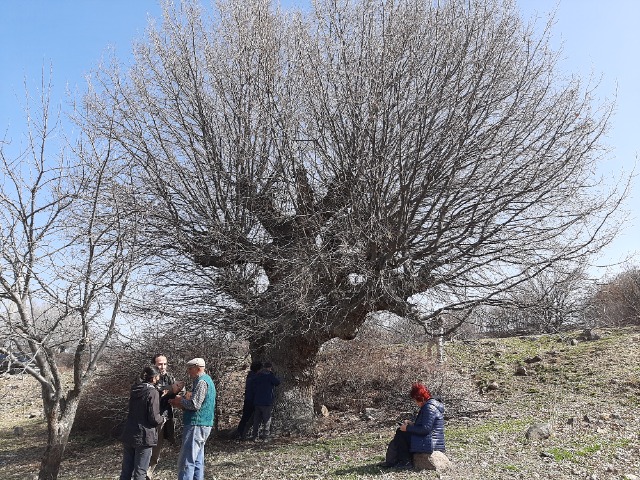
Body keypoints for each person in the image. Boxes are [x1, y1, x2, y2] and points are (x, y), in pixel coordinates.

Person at [169, 357, 216, 480]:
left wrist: (180, 400)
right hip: (204, 424)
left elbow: (195, 405)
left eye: (190, 369)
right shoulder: (208, 380)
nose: (189, 372)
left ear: (198, 368)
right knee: (197, 459)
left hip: (196, 424)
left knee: (187, 460)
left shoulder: (201, 382)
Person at [383, 382, 445, 469]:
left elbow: (425, 429)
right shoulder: (431, 405)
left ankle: (405, 462)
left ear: (421, 398)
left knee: (401, 433)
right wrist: (412, 424)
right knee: (402, 432)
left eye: (416, 400)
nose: (416, 403)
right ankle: (403, 460)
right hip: (431, 440)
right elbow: (426, 425)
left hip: (430, 443)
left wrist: (407, 428)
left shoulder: (429, 408)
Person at [119, 365, 164, 480]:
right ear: (153, 378)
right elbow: (154, 418)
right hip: (144, 436)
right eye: (158, 376)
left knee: (126, 471)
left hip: (129, 433)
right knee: (140, 472)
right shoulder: (152, 392)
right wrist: (163, 418)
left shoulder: (135, 389)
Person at [146, 354, 185, 480]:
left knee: (157, 447)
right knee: (148, 446)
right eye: (159, 364)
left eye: (164, 364)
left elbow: (178, 390)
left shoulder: (169, 377)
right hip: (151, 418)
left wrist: (181, 393)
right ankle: (143, 472)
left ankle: (148, 472)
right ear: (154, 365)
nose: (162, 366)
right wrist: (171, 389)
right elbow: (157, 392)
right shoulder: (148, 378)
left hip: (165, 416)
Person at [248, 361, 280, 442]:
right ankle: (265, 437)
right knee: (267, 420)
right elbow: (277, 382)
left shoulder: (257, 375)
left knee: (256, 420)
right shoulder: (270, 376)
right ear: (270, 368)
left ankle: (254, 436)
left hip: (257, 401)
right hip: (267, 401)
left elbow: (253, 384)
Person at [234, 360, 262, 440]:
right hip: (252, 400)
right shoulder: (255, 377)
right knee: (248, 418)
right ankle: (242, 433)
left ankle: (240, 433)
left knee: (245, 417)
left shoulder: (250, 375)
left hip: (248, 399)